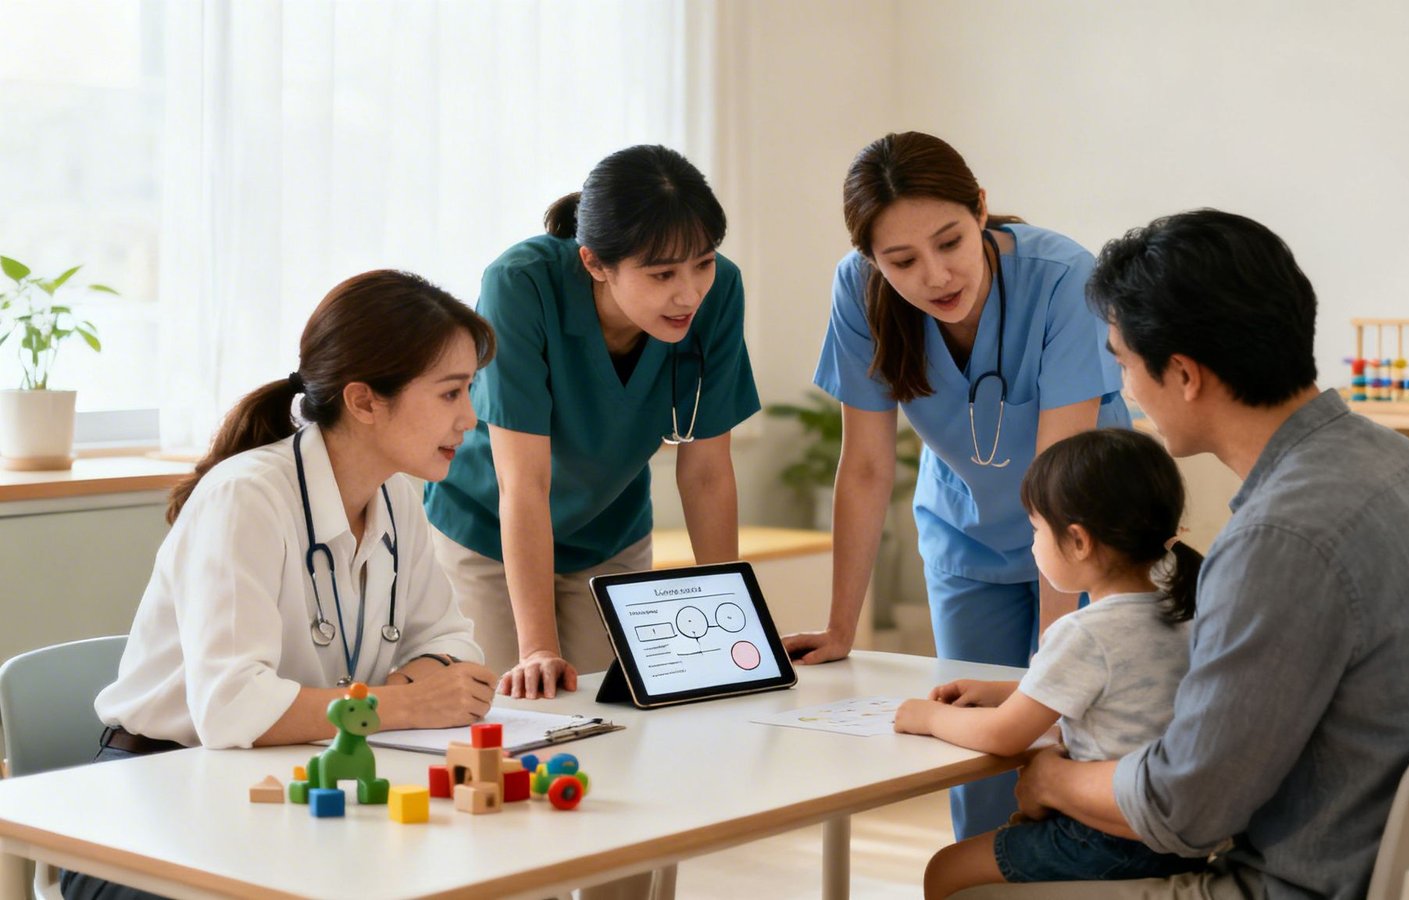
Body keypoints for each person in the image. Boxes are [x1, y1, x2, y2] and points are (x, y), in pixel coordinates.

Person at [1010, 209, 1409, 899]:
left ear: (1185, 374)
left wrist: (1053, 778)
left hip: (1318, 886)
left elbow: (1184, 809)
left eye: (1125, 364)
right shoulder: (1404, 462)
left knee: (959, 882)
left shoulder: (1276, 538)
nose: (1126, 391)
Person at [67, 270, 499, 898]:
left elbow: (455, 648)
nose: (469, 417)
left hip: (290, 782)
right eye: (450, 393)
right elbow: (232, 707)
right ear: (364, 401)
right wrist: (401, 703)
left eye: (470, 390)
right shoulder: (247, 498)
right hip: (153, 804)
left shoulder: (399, 498)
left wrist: (375, 703)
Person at [782, 131, 1130, 839]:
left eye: (950, 242)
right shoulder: (858, 290)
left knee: (1080, 749)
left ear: (981, 210)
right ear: (870, 260)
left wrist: (1051, 670)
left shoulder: (1064, 279)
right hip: (965, 538)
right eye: (901, 260)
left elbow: (1061, 485)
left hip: (1089, 539)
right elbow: (868, 465)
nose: (935, 276)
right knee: (980, 776)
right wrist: (842, 625)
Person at [424, 145, 760, 701]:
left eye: (703, 263)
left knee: (616, 719)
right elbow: (523, 483)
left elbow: (705, 472)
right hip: (489, 528)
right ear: (595, 263)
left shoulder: (719, 291)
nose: (690, 293)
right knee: (511, 709)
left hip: (610, 531)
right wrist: (536, 649)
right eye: (661, 274)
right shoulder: (520, 284)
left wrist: (730, 621)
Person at [895, 428, 1209, 898]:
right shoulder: (1184, 611)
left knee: (946, 869)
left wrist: (928, 716)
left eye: (1037, 529)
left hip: (1107, 836)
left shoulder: (1085, 631)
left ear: (1078, 541)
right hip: (1178, 839)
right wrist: (1000, 692)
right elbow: (1112, 693)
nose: (1034, 543)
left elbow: (1004, 736)